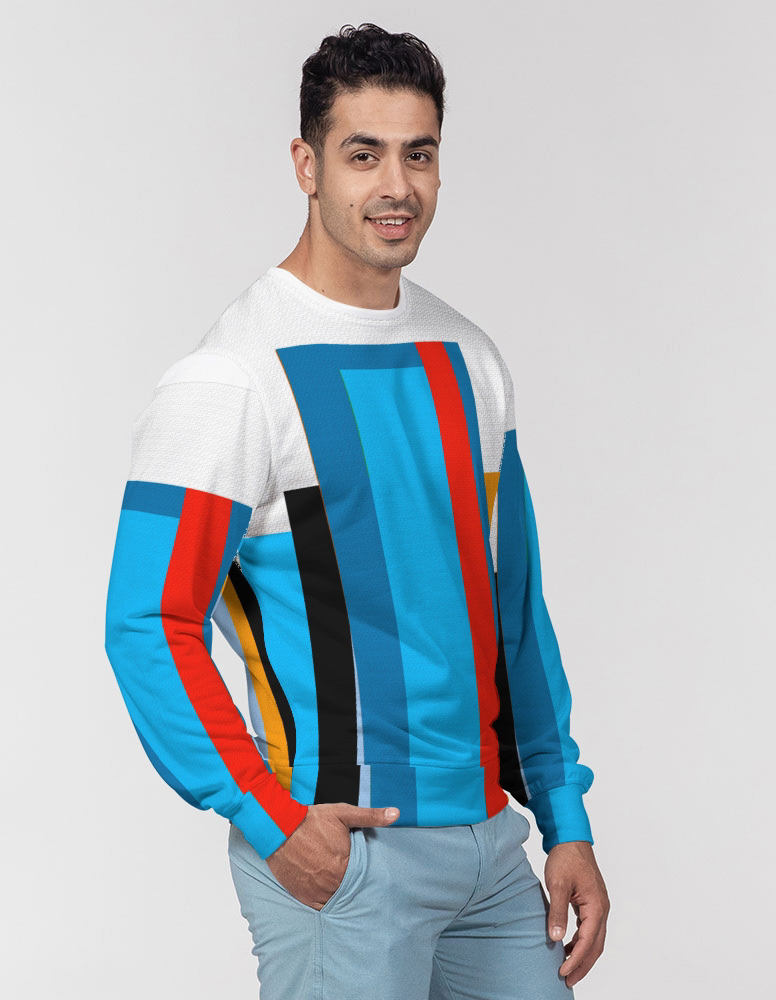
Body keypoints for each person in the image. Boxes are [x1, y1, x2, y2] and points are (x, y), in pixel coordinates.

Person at [104, 21, 609, 1000]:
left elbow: (512, 615)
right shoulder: (231, 379)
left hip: (490, 851)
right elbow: (147, 621)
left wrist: (564, 820)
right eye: (363, 154)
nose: (396, 186)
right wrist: (267, 818)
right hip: (345, 856)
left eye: (418, 154)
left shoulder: (470, 359)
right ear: (307, 165)